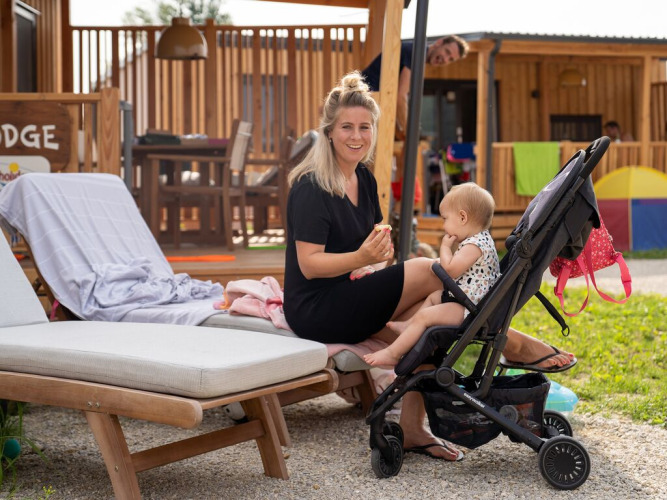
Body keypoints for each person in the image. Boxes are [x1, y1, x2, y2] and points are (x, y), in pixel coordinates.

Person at [284, 71, 574, 462]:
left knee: (435, 319)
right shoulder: (311, 186)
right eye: (347, 127)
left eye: (364, 127)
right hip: (317, 307)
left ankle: (413, 429)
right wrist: (363, 259)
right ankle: (514, 343)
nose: (357, 136)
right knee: (427, 269)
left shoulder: (364, 179)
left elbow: (372, 248)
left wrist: (376, 257)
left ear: (374, 130)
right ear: (330, 132)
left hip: (350, 291)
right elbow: (309, 266)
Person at [364, 183, 499, 367]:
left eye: (445, 219)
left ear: (462, 217)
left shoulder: (475, 245)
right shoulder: (480, 240)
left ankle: (392, 353)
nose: (444, 225)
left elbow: (450, 270)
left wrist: (444, 248)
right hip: (468, 302)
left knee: (425, 317)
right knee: (434, 297)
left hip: (471, 309)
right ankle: (409, 324)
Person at [361, 35, 470, 138]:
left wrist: (401, 129)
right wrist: (410, 132)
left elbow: (397, 98)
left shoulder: (418, 57)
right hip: (362, 97)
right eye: (447, 52)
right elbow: (400, 97)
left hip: (369, 101)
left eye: (450, 59)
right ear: (439, 42)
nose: (446, 59)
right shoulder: (416, 52)